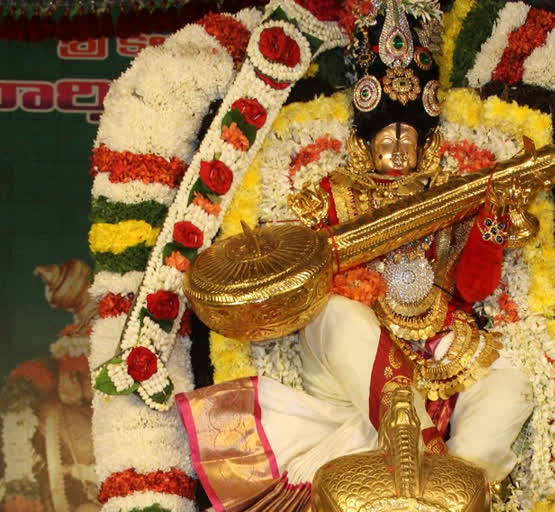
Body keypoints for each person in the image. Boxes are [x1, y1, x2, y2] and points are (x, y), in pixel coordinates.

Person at [176, 3, 534, 510]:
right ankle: (425, 454)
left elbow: (473, 288)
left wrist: (493, 223)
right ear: (363, 140)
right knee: (335, 313)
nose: (397, 143)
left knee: (510, 388)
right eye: (386, 131)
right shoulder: (330, 196)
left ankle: (450, 489)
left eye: (409, 132)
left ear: (427, 141)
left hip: (440, 348)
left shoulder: (454, 192)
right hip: (356, 359)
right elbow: (295, 275)